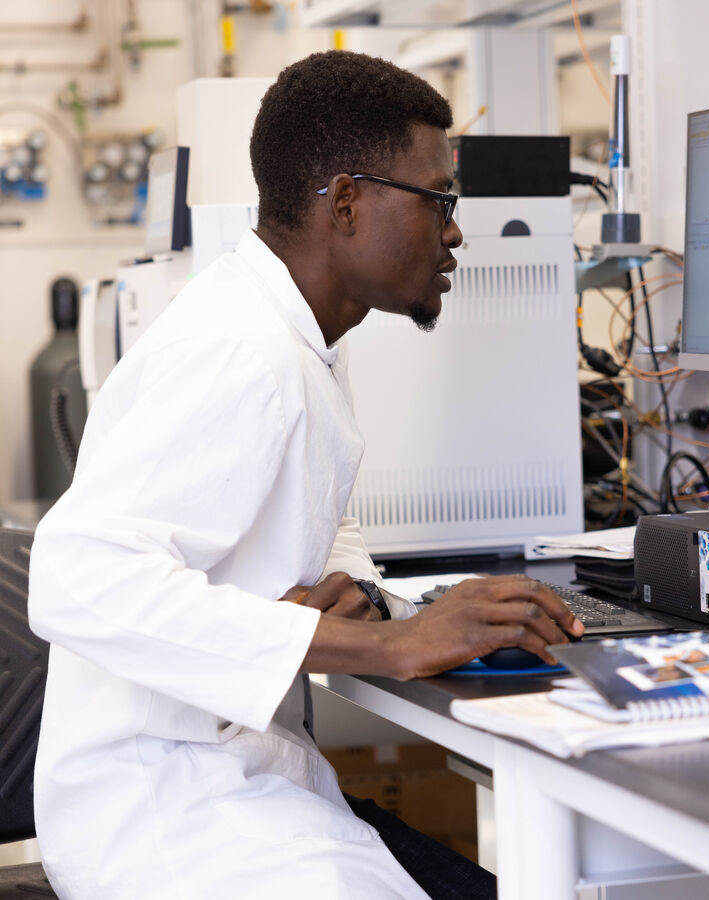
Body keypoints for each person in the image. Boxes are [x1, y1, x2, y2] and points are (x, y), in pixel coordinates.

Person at [28, 50, 582, 899]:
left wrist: (348, 586)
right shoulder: (239, 349)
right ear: (348, 202)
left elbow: (306, 509)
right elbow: (77, 575)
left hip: (243, 780)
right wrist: (391, 643)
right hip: (173, 819)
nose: (457, 231)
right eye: (440, 200)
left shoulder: (296, 333)